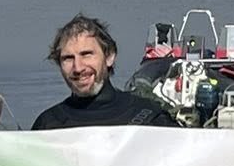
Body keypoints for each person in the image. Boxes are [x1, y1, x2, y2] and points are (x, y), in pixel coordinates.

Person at [31, 14, 179, 130]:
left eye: (86, 54)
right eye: (68, 58)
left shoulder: (149, 115)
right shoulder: (48, 125)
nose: (78, 68)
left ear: (109, 57)